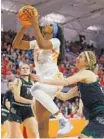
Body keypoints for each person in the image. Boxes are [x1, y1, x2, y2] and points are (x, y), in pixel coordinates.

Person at [13, 9, 73, 137]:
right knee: (40, 120)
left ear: (54, 32)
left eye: (51, 25)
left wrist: (35, 24)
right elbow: (16, 44)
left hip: (54, 79)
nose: (46, 24)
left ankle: (63, 120)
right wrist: (24, 27)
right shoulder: (36, 43)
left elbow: (42, 43)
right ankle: (61, 121)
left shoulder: (56, 42)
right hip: (42, 80)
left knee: (34, 89)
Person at [34, 51, 104, 138]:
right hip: (93, 114)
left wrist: (43, 81)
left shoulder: (87, 73)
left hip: (101, 113)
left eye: (81, 57)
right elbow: (64, 96)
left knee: (83, 137)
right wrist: (46, 89)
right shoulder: (81, 84)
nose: (77, 58)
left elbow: (65, 81)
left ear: (87, 62)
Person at [8, 63, 39, 138]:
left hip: (27, 110)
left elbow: (33, 99)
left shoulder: (32, 83)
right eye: (23, 68)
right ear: (20, 71)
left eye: (27, 68)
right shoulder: (18, 81)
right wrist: (31, 102)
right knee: (14, 136)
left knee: (35, 133)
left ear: (30, 71)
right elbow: (17, 98)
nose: (25, 69)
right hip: (16, 109)